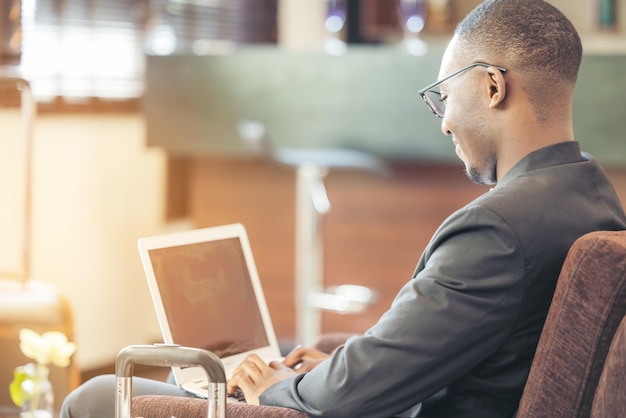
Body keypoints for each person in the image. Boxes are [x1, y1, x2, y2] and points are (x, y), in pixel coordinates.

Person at [61, 0, 626, 417]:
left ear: (492, 88)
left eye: (445, 96)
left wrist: (273, 389)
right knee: (274, 358)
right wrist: (328, 365)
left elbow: (348, 398)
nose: (445, 120)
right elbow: (456, 344)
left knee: (96, 398)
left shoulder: (498, 231)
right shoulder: (592, 196)